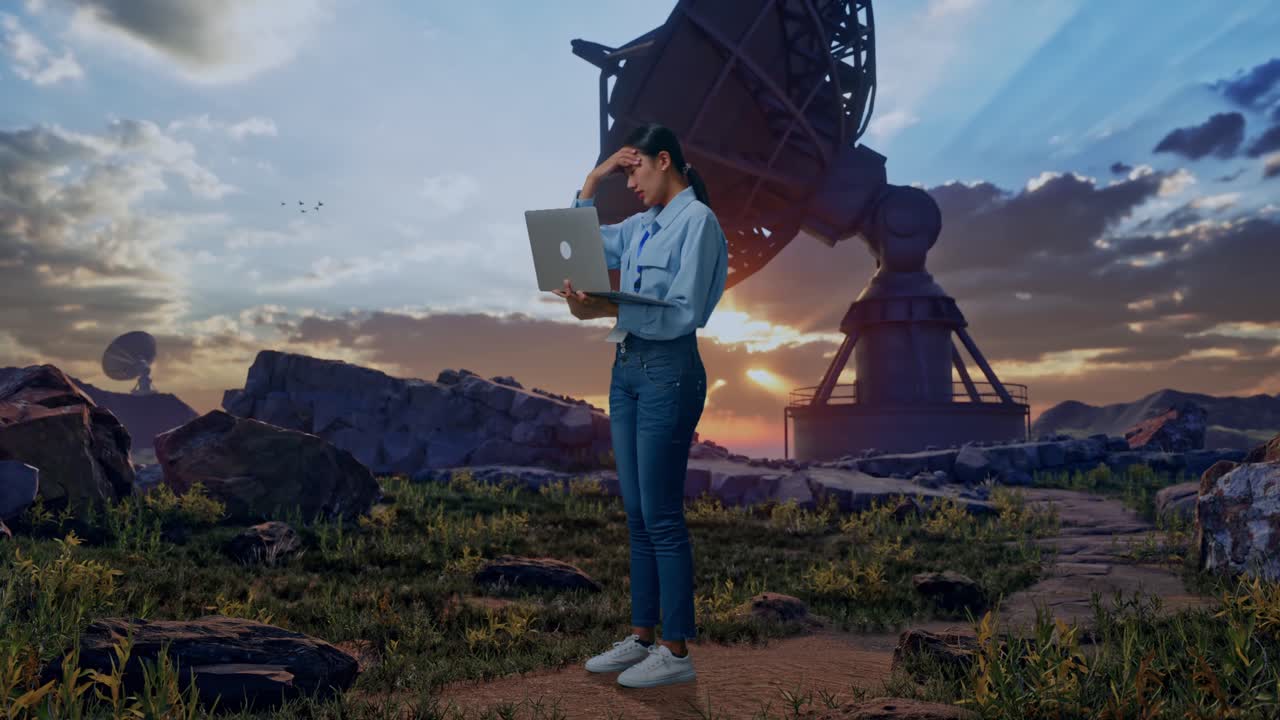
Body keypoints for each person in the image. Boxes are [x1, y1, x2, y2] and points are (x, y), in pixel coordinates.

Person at [552, 122, 728, 689]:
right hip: (627, 370)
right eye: (623, 176)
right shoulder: (643, 225)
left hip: (668, 374)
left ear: (664, 161)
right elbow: (581, 245)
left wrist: (602, 309)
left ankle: (676, 652)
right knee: (637, 516)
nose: (630, 184)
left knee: (662, 516)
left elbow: (683, 312)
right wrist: (592, 180)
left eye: (634, 172)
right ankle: (642, 636)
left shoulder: (697, 223)